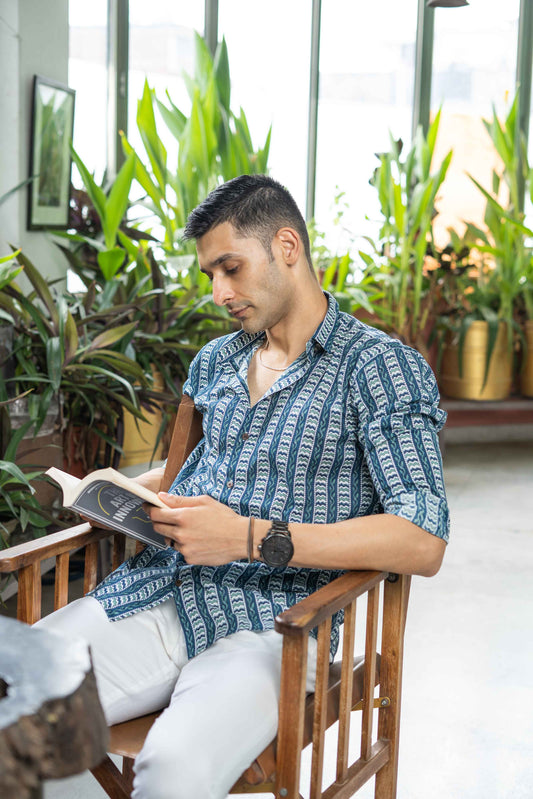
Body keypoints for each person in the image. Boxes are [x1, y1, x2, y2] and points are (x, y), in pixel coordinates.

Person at [36, 174, 449, 799]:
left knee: (173, 770)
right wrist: (118, 493)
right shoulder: (219, 361)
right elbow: (201, 470)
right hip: (160, 591)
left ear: (287, 245)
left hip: (276, 627)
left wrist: (248, 537)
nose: (219, 292)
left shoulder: (379, 367)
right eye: (209, 275)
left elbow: (422, 538)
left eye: (230, 268)